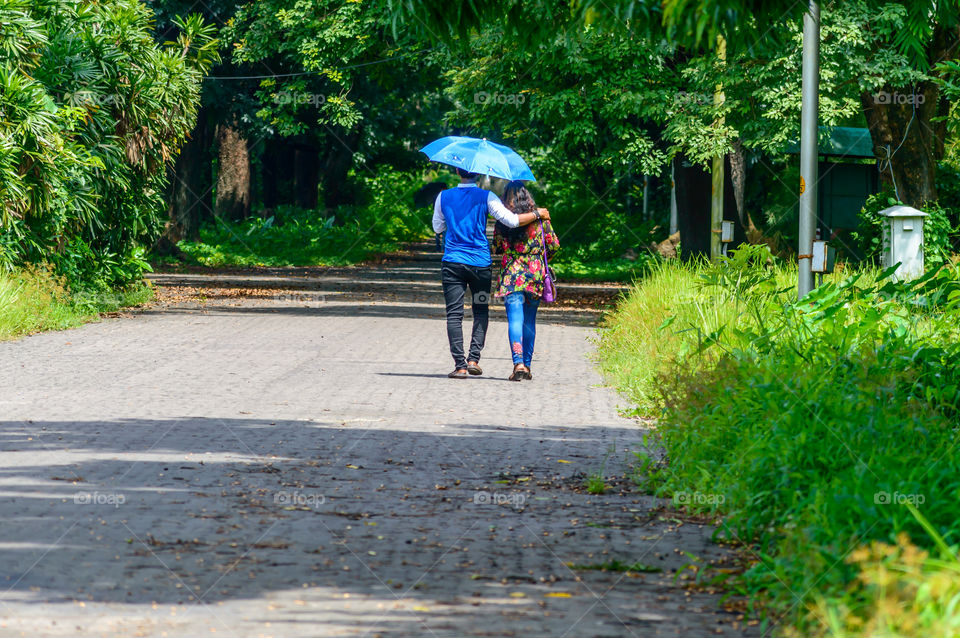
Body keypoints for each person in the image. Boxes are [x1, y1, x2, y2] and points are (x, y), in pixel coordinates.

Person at [433, 168, 548, 379]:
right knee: (480, 310)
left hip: (452, 265)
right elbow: (512, 221)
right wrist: (537, 214)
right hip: (480, 267)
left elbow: (438, 227)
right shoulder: (487, 197)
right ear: (477, 173)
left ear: (457, 171)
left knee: (454, 314)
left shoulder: (444, 196)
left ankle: (459, 366)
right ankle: (473, 359)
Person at [493, 181, 560, 381]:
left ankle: (518, 363)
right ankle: (528, 366)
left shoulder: (503, 221)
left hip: (512, 276)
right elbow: (554, 246)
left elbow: (497, 247)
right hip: (535, 276)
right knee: (529, 321)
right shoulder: (541, 220)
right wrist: (537, 257)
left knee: (515, 320)